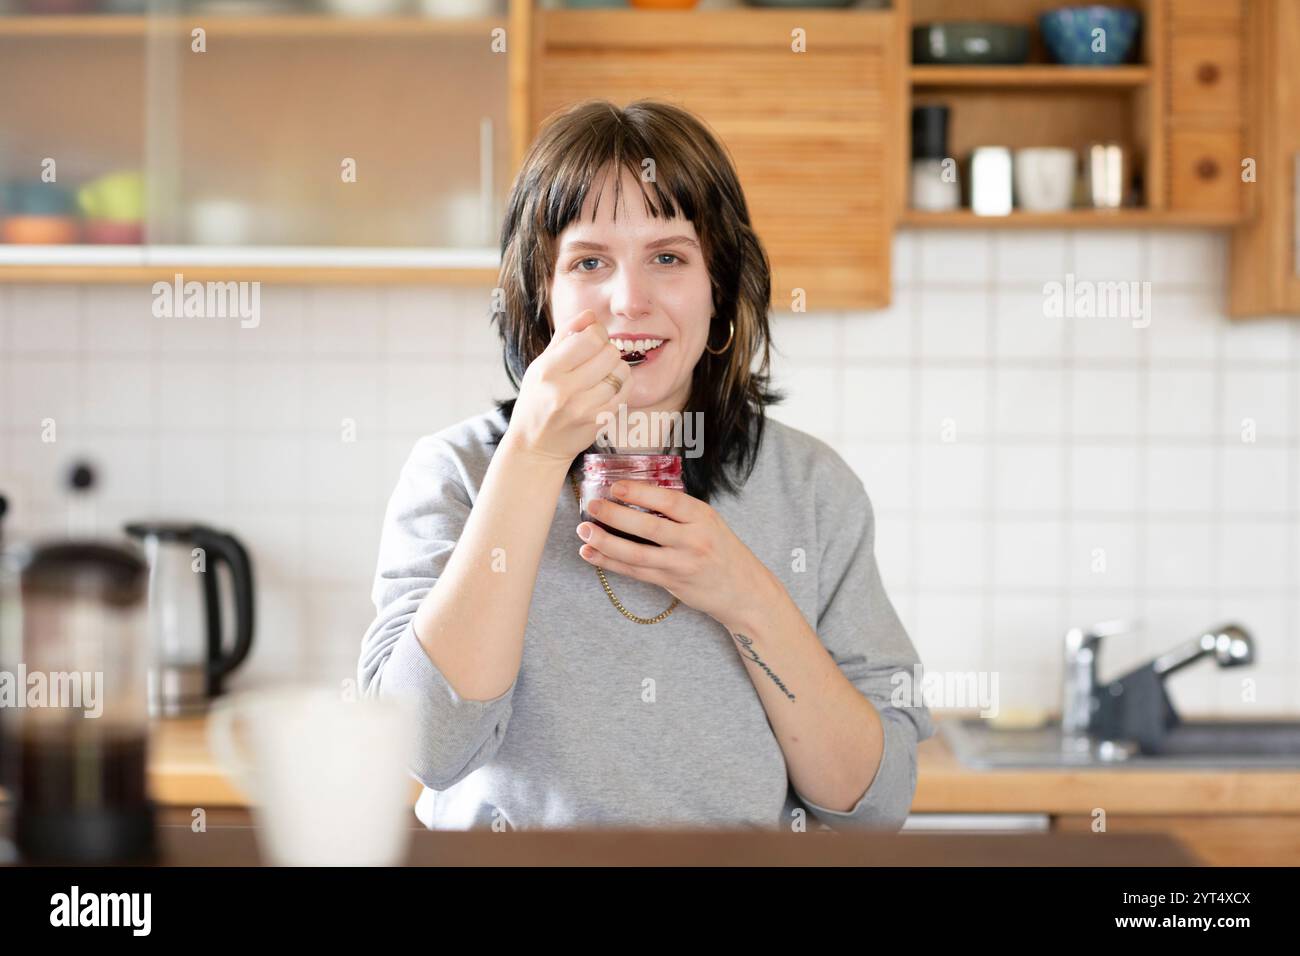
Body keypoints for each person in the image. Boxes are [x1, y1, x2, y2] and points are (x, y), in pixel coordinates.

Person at [358, 99, 934, 831]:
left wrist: (744, 595)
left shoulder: (814, 490)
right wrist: (534, 456)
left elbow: (874, 806)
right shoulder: (458, 472)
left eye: (668, 257)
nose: (629, 300)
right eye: (589, 262)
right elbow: (422, 750)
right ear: (542, 293)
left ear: (718, 287)